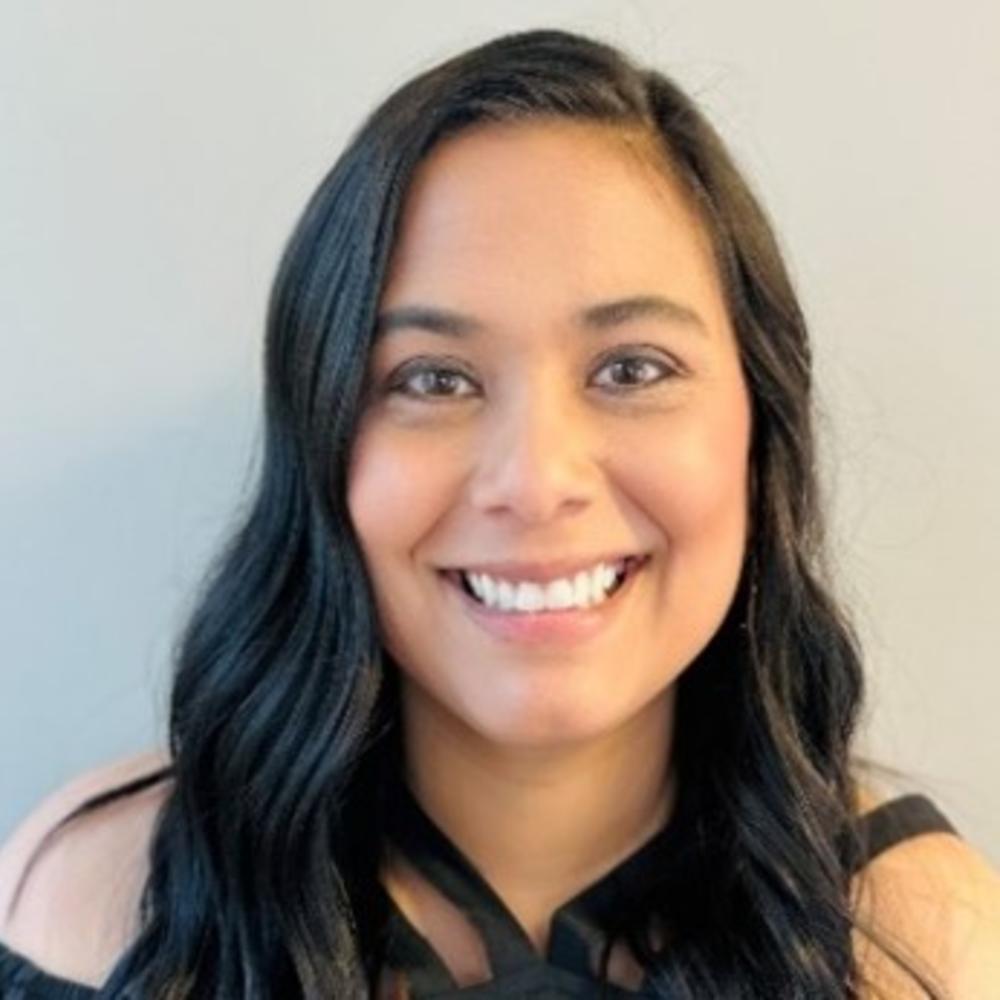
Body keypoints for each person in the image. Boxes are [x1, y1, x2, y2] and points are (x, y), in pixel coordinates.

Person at [0, 27, 997, 999]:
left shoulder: (922, 943)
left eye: (632, 368)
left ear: (758, 428)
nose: (533, 477)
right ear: (322, 437)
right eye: (433, 378)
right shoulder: (107, 896)